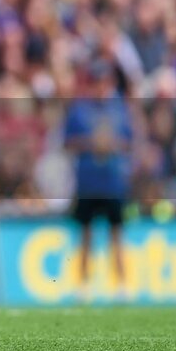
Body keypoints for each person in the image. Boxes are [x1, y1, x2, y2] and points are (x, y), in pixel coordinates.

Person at [63, 59, 133, 299]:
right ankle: (83, 285)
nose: (101, 87)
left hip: (113, 183)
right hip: (88, 183)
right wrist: (92, 143)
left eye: (105, 82)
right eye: (97, 82)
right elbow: (67, 142)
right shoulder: (79, 109)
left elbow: (129, 141)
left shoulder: (119, 108)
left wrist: (110, 144)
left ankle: (123, 285)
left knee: (117, 234)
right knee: (86, 234)